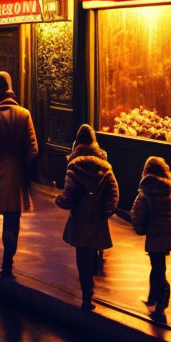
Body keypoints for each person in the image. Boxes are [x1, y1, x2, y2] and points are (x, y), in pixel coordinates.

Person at [0, 71, 39, 277]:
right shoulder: (24, 114)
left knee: (6, 219)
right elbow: (33, 150)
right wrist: (27, 175)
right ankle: (8, 260)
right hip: (17, 172)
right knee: (14, 219)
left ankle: (6, 261)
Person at [54, 124, 119, 310]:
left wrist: (59, 201)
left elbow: (67, 196)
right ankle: (91, 288)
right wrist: (107, 210)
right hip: (97, 220)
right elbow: (113, 193)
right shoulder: (106, 168)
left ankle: (86, 296)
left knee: (82, 257)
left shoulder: (74, 167)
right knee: (92, 252)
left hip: (80, 221)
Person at [130, 156, 171, 324]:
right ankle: (153, 298)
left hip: (153, 237)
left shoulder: (146, 192)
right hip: (166, 237)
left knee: (158, 269)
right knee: (158, 266)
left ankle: (160, 301)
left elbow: (137, 213)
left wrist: (139, 229)